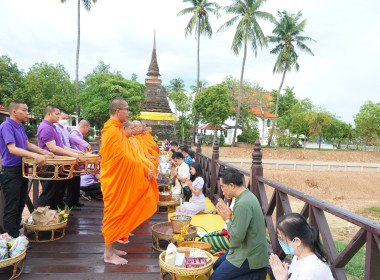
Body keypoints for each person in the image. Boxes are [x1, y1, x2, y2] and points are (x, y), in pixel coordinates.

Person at [100, 98, 157, 265]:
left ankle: (112, 247)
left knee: (121, 211)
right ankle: (108, 254)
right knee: (113, 213)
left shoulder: (117, 130)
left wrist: (144, 166)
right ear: (118, 111)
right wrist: (143, 169)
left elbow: (131, 155)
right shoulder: (111, 131)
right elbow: (122, 158)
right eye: (126, 109)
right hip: (114, 180)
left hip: (121, 178)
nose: (128, 112)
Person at [0, 101, 53, 237]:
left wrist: (44, 153)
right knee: (12, 206)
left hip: (22, 169)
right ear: (14, 111)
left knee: (20, 203)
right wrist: (35, 156)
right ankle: (12, 238)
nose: (27, 113)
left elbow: (27, 144)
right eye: (24, 110)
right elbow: (12, 148)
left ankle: (16, 233)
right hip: (11, 171)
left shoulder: (20, 126)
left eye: (27, 110)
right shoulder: (6, 126)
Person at [211, 168, 268, 280]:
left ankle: (257, 274)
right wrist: (229, 216)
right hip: (244, 247)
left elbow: (236, 237)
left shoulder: (243, 203)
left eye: (223, 186)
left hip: (249, 254)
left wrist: (227, 219)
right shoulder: (246, 195)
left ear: (231, 185)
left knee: (214, 278)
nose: (222, 190)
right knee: (216, 266)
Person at [37, 104, 81, 210]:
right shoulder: (46, 127)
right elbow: (53, 148)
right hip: (49, 165)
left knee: (57, 194)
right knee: (48, 194)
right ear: (48, 113)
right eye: (57, 114)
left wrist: (77, 152)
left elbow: (61, 146)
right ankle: (43, 220)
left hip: (55, 164)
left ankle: (54, 218)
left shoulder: (52, 127)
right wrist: (73, 155)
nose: (58, 116)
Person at [269, 213, 333, 280]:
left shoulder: (311, 269)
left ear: (296, 241)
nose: (280, 242)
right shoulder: (298, 256)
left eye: (282, 239)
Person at [66, 119, 92, 208]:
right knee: (72, 184)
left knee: (76, 182)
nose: (87, 131)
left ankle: (75, 201)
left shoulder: (78, 134)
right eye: (88, 129)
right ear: (85, 127)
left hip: (77, 162)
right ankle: (71, 203)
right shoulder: (74, 132)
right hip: (73, 162)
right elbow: (72, 138)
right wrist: (86, 144)